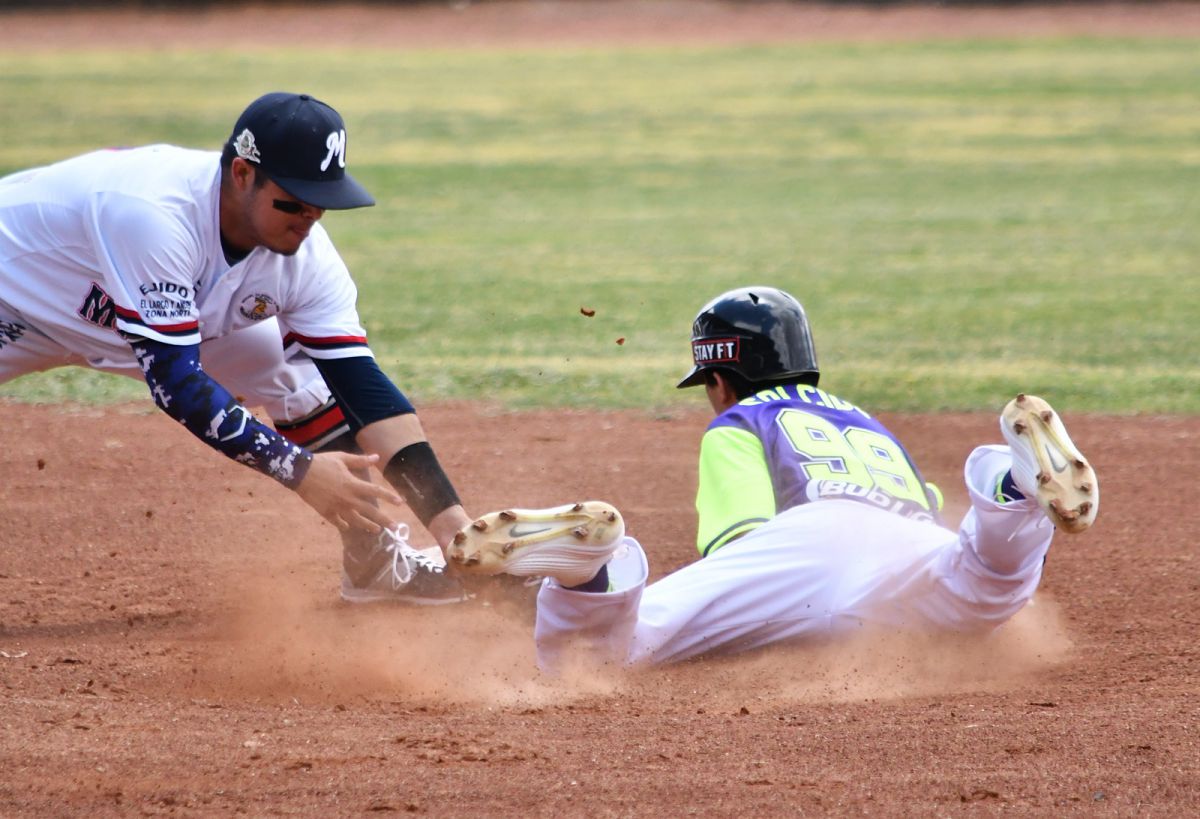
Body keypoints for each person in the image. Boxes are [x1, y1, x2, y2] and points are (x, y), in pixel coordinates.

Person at [446, 285, 1100, 669]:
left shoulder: (738, 421)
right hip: (908, 540)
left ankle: (587, 568)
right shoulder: (863, 418)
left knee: (609, 655)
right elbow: (922, 509)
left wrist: (756, 618)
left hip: (803, 546)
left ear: (721, 379)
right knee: (982, 582)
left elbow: (742, 541)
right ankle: (1014, 491)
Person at [0, 92, 470, 605]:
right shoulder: (153, 215)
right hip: (16, 297)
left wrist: (457, 532)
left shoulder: (304, 256)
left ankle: (374, 559)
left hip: (130, 314)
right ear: (243, 174)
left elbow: (363, 388)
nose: (308, 217)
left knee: (294, 368)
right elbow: (176, 384)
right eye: (293, 198)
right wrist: (300, 469)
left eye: (321, 203)